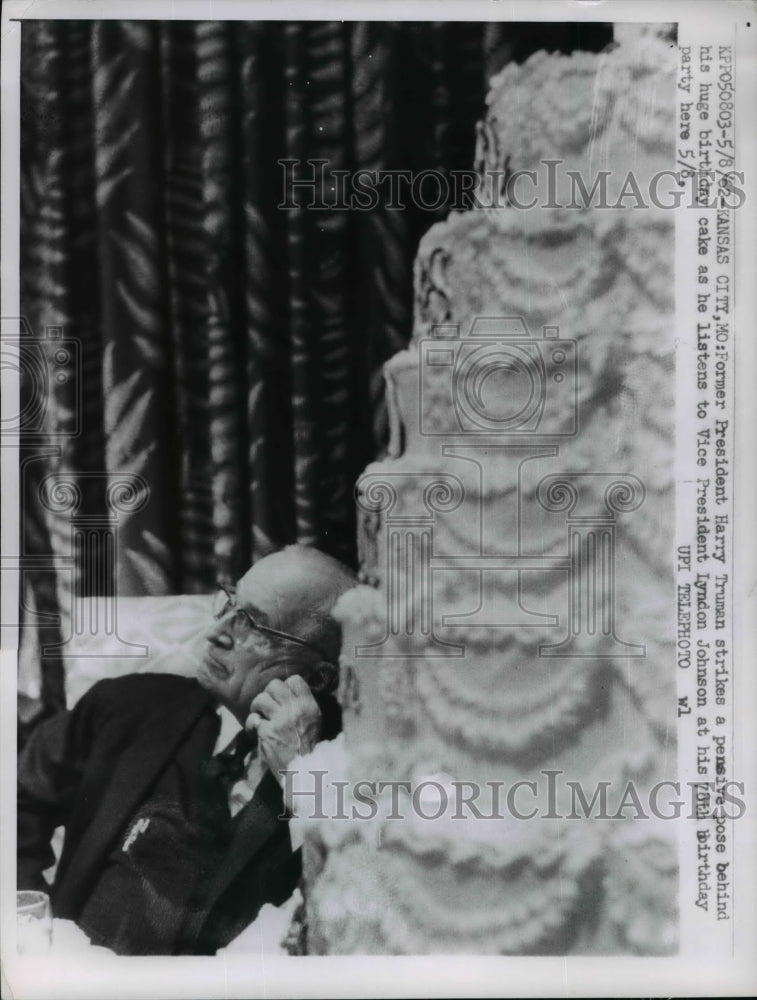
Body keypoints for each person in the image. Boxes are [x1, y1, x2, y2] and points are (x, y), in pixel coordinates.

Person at [17, 545, 355, 955]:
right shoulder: (125, 706)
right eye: (229, 603)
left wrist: (301, 772)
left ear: (318, 678)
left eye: (254, 625)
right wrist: (29, 925)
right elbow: (15, 800)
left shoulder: (344, 773)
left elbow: (358, 903)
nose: (216, 632)